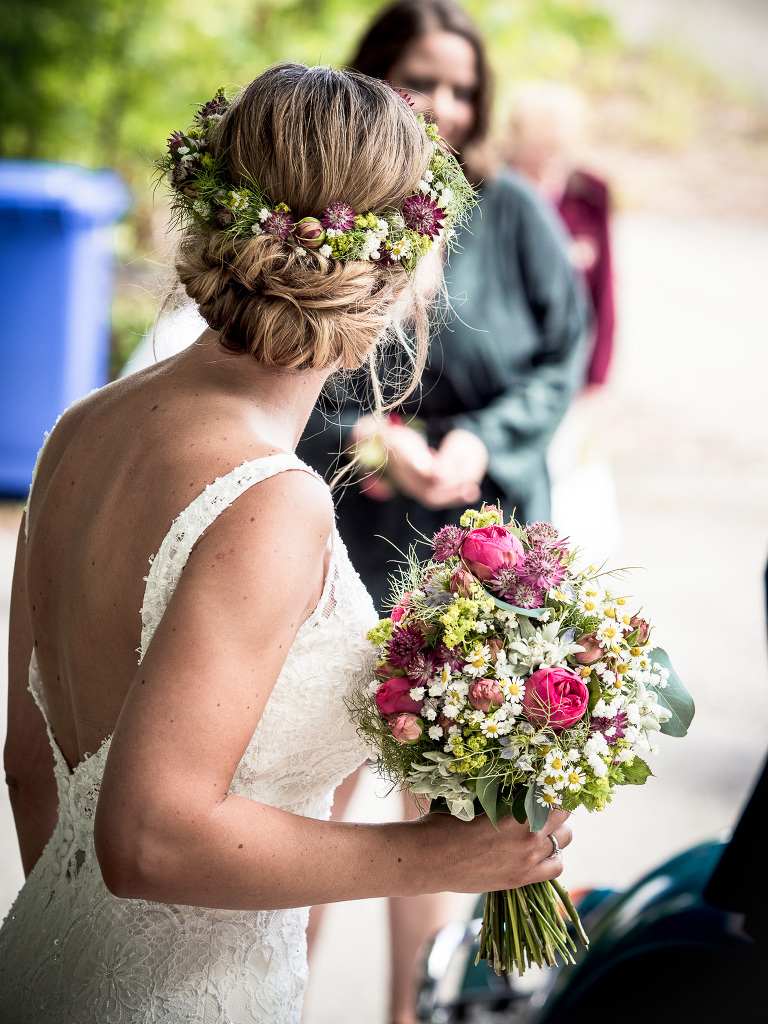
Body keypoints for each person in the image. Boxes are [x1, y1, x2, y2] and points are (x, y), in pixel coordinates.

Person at [0, 63, 573, 1023]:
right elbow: (145, 837)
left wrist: (88, 949)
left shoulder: (79, 427)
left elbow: (28, 762)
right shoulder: (271, 500)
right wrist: (435, 858)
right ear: (401, 265)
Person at [297, 0, 588, 615]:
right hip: (343, 530)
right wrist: (363, 437)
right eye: (420, 82)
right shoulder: (321, 214)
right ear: (371, 78)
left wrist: (485, 440)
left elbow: (564, 355)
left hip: (495, 530)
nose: (444, 107)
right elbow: (269, 365)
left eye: (464, 90)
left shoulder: (514, 210)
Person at [507, 80, 615, 387]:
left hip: (568, 351)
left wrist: (597, 375)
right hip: (507, 355)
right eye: (536, 147)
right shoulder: (495, 187)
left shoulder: (591, 192)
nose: (545, 160)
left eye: (554, 147)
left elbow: (604, 284)